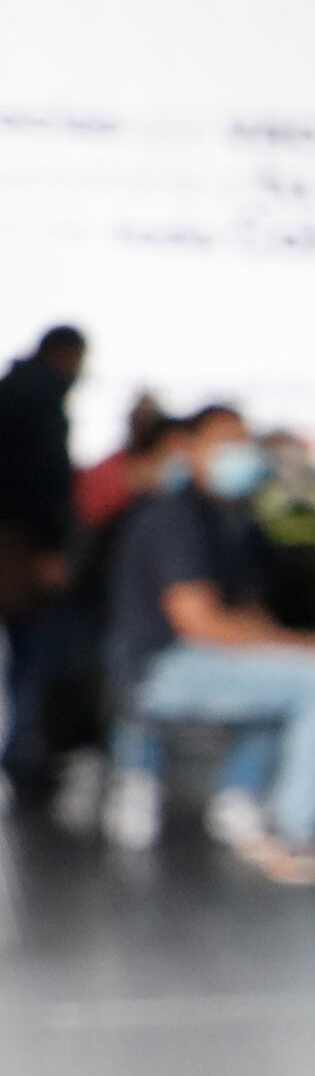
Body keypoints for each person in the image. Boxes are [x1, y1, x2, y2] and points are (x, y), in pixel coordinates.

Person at [108, 402, 315, 883]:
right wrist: (303, 651)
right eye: (225, 442)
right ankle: (297, 834)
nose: (239, 453)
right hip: (161, 670)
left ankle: (241, 798)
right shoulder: (173, 519)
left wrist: (301, 644)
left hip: (207, 659)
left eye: (243, 442)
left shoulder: (231, 522)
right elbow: (200, 622)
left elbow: (250, 614)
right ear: (190, 450)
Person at [0, 323, 83, 804]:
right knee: (35, 653)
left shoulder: (11, 390)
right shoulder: (41, 399)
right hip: (21, 545)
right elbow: (48, 479)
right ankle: (27, 755)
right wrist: (53, 546)